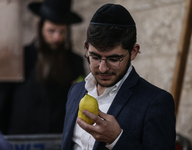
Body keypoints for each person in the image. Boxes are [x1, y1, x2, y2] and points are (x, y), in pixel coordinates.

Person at [61, 3, 176, 150]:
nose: (102, 68)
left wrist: (117, 139)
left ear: (133, 51)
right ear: (86, 47)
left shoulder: (156, 102)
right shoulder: (75, 92)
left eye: (113, 59)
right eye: (95, 57)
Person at [0, 0, 85, 135]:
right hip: (20, 141)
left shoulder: (75, 62)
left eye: (62, 32)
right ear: (39, 27)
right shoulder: (18, 58)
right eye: (51, 31)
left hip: (58, 140)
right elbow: (3, 103)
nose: (57, 37)